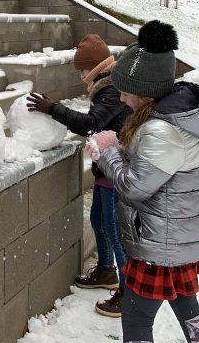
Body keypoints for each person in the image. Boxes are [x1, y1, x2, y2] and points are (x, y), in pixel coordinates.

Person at [89, 20, 199, 343]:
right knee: (187, 305)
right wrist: (118, 149)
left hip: (160, 243)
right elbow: (153, 171)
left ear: (145, 92)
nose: (119, 96)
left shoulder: (161, 130)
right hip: (176, 237)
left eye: (125, 90)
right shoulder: (175, 116)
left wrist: (107, 152)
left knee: (136, 319)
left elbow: (134, 187)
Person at [26, 34, 131, 317]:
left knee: (113, 229)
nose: (82, 76)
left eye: (82, 70)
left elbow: (90, 123)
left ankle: (129, 291)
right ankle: (107, 271)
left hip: (115, 168)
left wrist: (52, 108)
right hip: (105, 167)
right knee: (98, 219)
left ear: (93, 67)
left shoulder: (111, 87)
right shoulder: (106, 84)